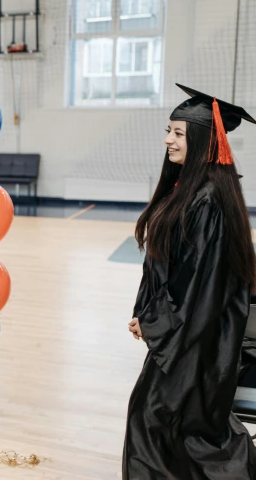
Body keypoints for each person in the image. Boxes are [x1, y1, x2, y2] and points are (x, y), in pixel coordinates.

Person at [123, 84, 256, 478]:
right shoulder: (189, 188)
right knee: (170, 429)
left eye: (178, 133)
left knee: (155, 422)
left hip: (199, 339)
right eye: (169, 131)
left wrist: (154, 322)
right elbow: (167, 267)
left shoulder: (209, 200)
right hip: (186, 333)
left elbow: (198, 284)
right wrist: (147, 314)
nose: (168, 140)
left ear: (200, 139)